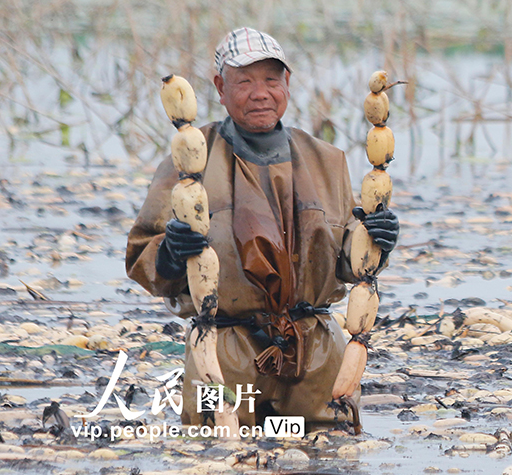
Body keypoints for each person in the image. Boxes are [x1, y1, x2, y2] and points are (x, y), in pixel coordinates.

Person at [127, 27, 399, 429]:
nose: (261, 93)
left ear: (287, 84)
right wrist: (170, 252)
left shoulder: (327, 160)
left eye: (272, 80)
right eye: (245, 82)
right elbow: (141, 258)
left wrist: (379, 239)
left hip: (316, 348)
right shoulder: (188, 163)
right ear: (220, 88)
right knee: (217, 464)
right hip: (222, 347)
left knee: (329, 464)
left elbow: (345, 262)